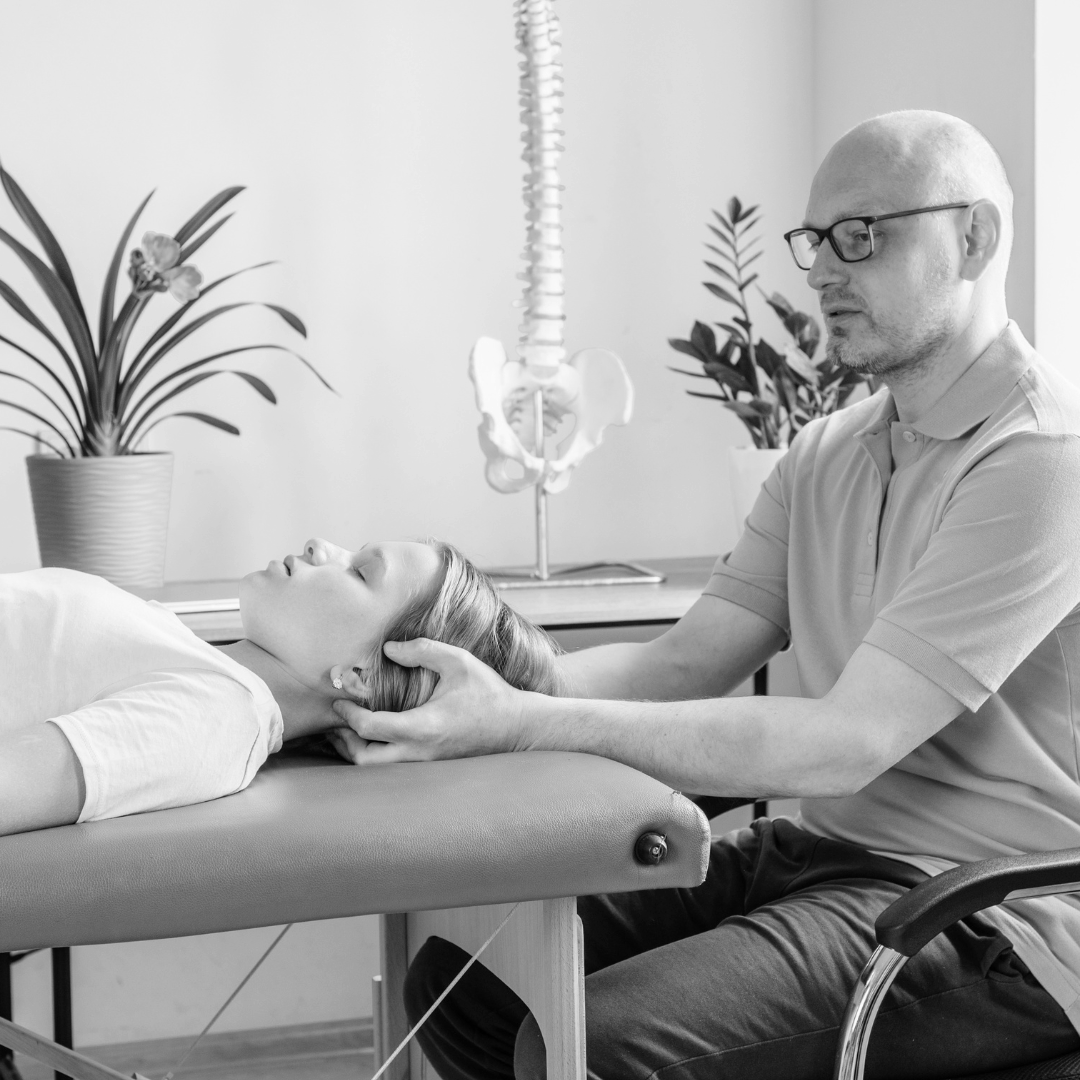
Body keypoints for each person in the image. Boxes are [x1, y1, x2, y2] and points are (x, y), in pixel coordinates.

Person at [332, 110, 1080, 1079]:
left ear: (972, 236)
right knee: (464, 983)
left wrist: (523, 722)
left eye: (862, 236)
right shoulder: (827, 451)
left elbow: (851, 739)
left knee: (597, 1045)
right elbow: (684, 660)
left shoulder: (1041, 461)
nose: (820, 272)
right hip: (823, 855)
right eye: (815, 242)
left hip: (989, 913)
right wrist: (470, 684)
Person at [0, 538, 563, 837]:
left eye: (360, 572)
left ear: (360, 676)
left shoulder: (214, 717)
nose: (322, 546)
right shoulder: (201, 668)